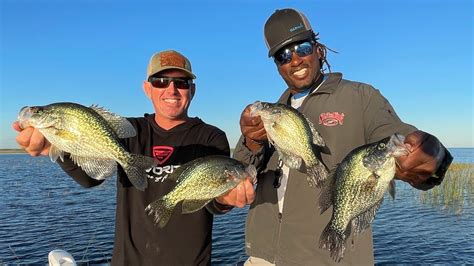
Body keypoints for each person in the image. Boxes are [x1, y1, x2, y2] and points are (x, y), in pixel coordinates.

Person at [234, 8, 453, 265]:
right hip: (262, 256)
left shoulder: (361, 97)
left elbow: (400, 136)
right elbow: (239, 171)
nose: (295, 60)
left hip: (331, 259)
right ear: (277, 65)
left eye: (302, 48)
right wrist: (251, 141)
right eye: (283, 55)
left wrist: (433, 156)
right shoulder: (271, 114)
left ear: (318, 49)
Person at [13, 50, 254, 265]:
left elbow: (211, 202)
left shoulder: (211, 137)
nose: (171, 89)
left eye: (181, 82)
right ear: (147, 88)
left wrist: (225, 198)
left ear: (192, 89)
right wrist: (60, 148)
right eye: (161, 81)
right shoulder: (129, 131)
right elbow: (91, 179)